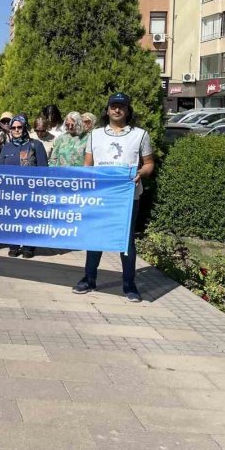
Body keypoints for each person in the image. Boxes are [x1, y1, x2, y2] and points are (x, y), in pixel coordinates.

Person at [73, 93, 154, 303]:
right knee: (95, 237)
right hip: (101, 196)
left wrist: (140, 174)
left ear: (128, 111)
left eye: (121, 107)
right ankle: (89, 279)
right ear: (107, 110)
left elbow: (149, 164)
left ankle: (129, 285)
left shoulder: (140, 135)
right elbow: (88, 164)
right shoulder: (95, 135)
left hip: (128, 198)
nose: (117, 110)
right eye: (113, 106)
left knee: (126, 241)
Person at [0, 114, 48, 259]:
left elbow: (43, 169)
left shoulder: (36, 145)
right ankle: (13, 245)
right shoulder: (6, 147)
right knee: (13, 218)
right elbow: (0, 169)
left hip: (31, 191)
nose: (16, 130)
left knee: (29, 218)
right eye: (13, 128)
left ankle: (28, 246)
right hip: (12, 192)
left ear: (25, 127)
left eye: (19, 127)